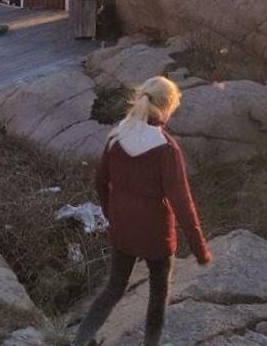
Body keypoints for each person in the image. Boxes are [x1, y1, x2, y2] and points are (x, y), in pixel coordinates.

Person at [73, 76, 211, 346]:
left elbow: (100, 182)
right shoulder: (166, 149)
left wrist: (112, 214)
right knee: (158, 293)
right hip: (155, 234)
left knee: (113, 288)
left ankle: (80, 341)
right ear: (167, 107)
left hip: (123, 227)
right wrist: (199, 249)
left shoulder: (117, 135)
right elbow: (181, 202)